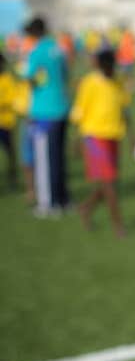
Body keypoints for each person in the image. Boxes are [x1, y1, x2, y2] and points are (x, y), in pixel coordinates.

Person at [70, 49, 135, 238]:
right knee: (109, 183)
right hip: (94, 138)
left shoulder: (118, 81)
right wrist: (77, 141)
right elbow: (80, 111)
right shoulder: (89, 83)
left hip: (114, 135)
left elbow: (124, 109)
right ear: (98, 65)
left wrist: (132, 137)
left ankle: (86, 208)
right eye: (105, 65)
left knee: (111, 182)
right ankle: (119, 226)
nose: (109, 69)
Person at [23, 16, 71, 216]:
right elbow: (65, 74)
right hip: (61, 107)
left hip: (44, 111)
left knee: (44, 160)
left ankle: (48, 204)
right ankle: (63, 199)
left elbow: (29, 77)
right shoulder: (58, 48)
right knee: (58, 157)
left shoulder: (37, 51)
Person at [0, 52, 20, 190]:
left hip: (6, 122)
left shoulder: (7, 79)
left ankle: (12, 176)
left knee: (10, 151)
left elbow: (13, 98)